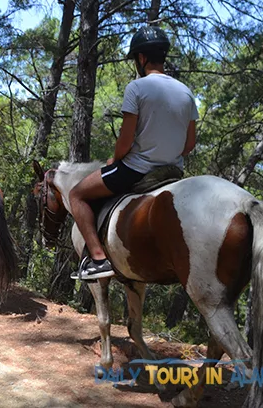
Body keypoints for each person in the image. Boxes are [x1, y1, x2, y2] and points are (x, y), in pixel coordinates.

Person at [68, 26, 198, 280]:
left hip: (137, 169)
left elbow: (125, 141)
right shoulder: (186, 92)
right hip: (174, 170)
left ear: (141, 58)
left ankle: (97, 258)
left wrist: (114, 160)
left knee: (77, 195)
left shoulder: (137, 88)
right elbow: (189, 143)